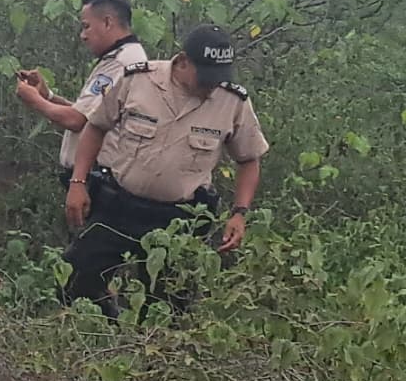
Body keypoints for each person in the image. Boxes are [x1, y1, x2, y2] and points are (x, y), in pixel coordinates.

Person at [64, 23, 265, 314]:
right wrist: (78, 182)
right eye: (205, 77)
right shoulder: (138, 80)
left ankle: (145, 352)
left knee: (166, 309)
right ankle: (103, 334)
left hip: (178, 220)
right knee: (74, 285)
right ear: (182, 62)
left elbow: (249, 158)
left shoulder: (232, 101)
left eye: (217, 79)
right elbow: (95, 127)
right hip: (118, 206)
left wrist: (240, 213)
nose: (211, 87)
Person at [12, 0, 149, 221]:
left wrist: (33, 100)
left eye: (86, 26)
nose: (82, 35)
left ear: (107, 22)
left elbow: (77, 121)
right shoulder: (120, 57)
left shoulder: (121, 64)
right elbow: (89, 114)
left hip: (102, 181)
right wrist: (47, 96)